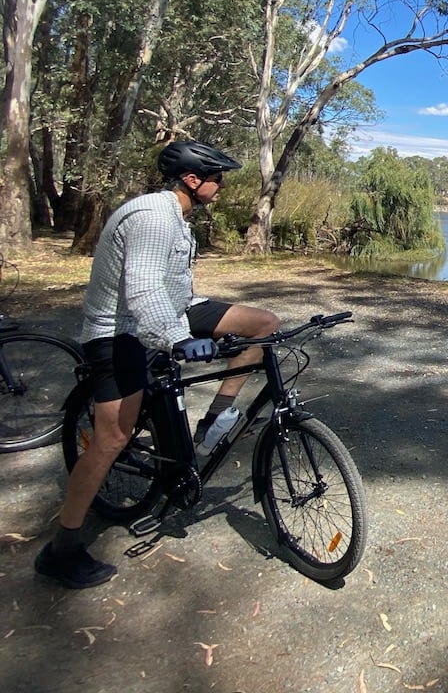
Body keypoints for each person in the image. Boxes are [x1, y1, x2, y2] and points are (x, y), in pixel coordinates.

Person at [34, 140, 279, 589]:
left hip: (174, 310)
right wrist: (179, 340)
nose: (221, 184)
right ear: (191, 180)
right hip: (119, 330)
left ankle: (216, 419)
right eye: (216, 177)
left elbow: (170, 292)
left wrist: (182, 327)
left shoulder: (178, 216)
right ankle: (62, 548)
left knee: (263, 325)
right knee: (112, 438)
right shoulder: (151, 217)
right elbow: (142, 291)